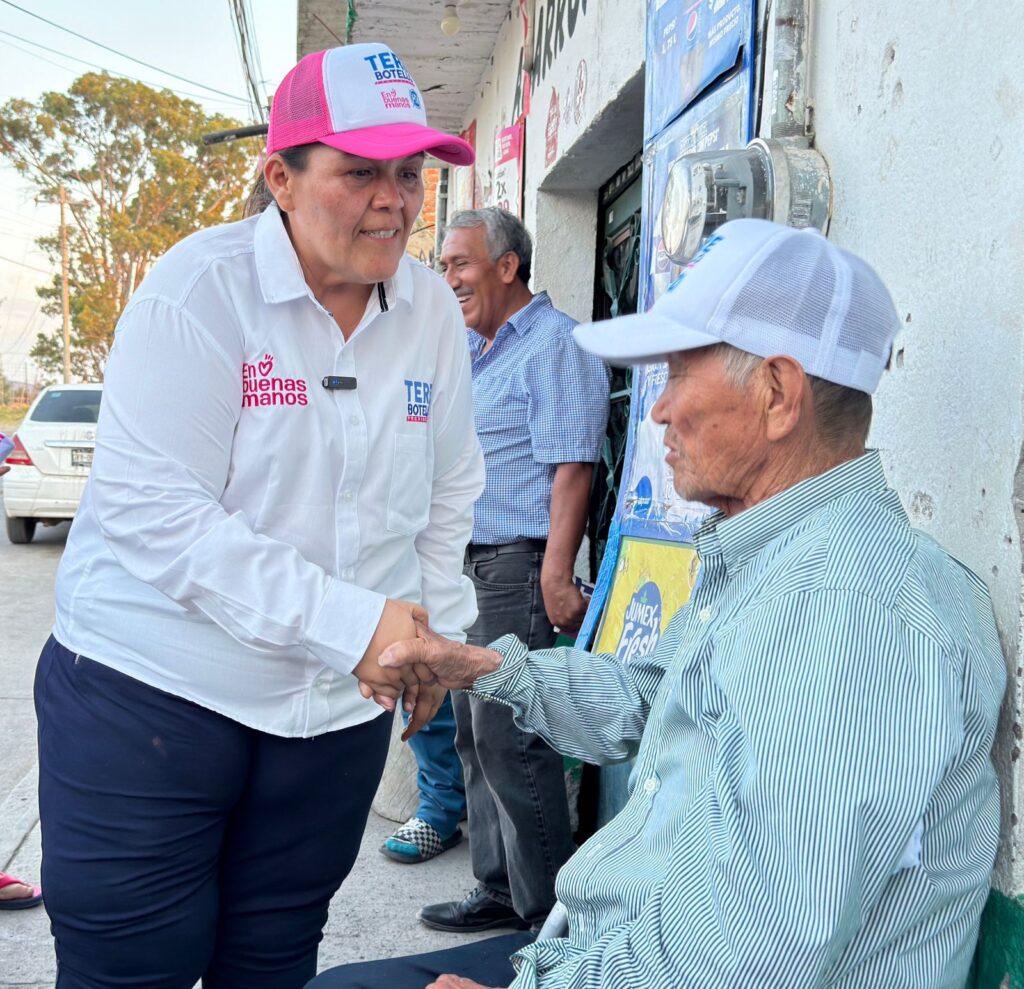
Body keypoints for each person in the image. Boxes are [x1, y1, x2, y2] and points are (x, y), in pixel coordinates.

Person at [311, 218, 1006, 988]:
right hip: (609, 945)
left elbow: (754, 948)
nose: (658, 411)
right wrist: (481, 668)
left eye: (677, 375)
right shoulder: (776, 560)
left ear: (778, 394)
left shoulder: (847, 607)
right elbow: (648, 697)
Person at [34, 43, 483, 989]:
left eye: (409, 174)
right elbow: (159, 515)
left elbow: (449, 486)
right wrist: (354, 625)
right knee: (133, 967)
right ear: (281, 178)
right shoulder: (198, 292)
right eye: (359, 172)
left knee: (274, 962)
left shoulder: (430, 312)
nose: (394, 201)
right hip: (152, 696)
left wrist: (431, 635)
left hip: (331, 714)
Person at [406, 208, 610, 934]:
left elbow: (572, 469)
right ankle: (497, 888)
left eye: (459, 263)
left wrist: (556, 575)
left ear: (507, 265)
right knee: (472, 732)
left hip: (516, 566)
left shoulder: (557, 343)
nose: (450, 278)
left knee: (512, 737)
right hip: (466, 567)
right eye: (444, 265)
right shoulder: (469, 349)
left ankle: (548, 915)